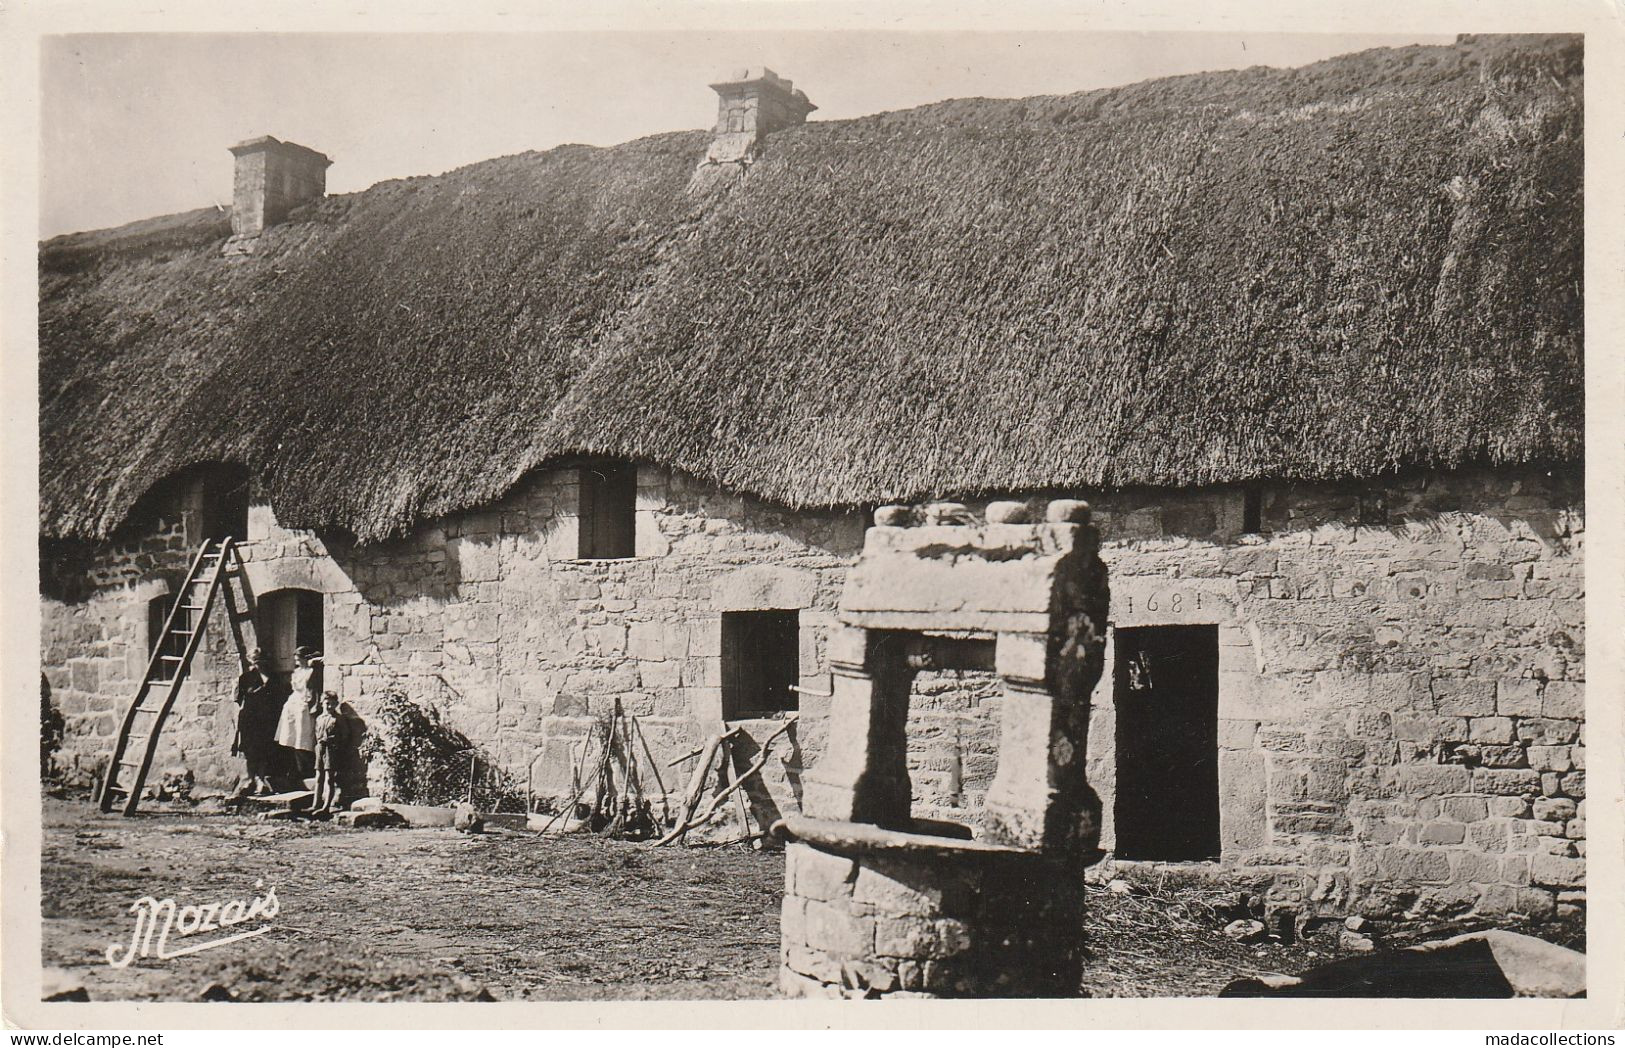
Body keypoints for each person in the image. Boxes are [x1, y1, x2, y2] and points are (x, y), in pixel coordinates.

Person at [231, 649, 279, 796]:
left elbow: (277, 697)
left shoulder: (272, 677)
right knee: (250, 750)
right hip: (249, 718)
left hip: (265, 719)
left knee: (263, 749)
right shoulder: (245, 678)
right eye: (255, 661)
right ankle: (250, 779)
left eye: (260, 661)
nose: (258, 664)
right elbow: (238, 699)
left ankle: (261, 779)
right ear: (251, 662)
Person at [274, 646, 321, 782]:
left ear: (305, 658)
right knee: (291, 736)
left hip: (305, 704)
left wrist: (314, 706)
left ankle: (305, 769)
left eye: (299, 658)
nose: (297, 661)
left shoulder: (311, 672)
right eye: (296, 659)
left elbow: (315, 691)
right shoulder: (296, 672)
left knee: (304, 736)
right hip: (292, 703)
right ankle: (295, 769)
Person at [310, 691, 348, 815]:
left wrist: (335, 743)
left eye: (332, 704)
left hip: (331, 750)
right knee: (318, 777)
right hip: (320, 748)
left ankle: (326, 807)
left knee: (329, 779)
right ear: (322, 703)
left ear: (336, 704)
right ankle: (315, 804)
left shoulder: (338, 719)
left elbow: (345, 735)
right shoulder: (319, 718)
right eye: (327, 703)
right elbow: (316, 733)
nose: (329, 706)